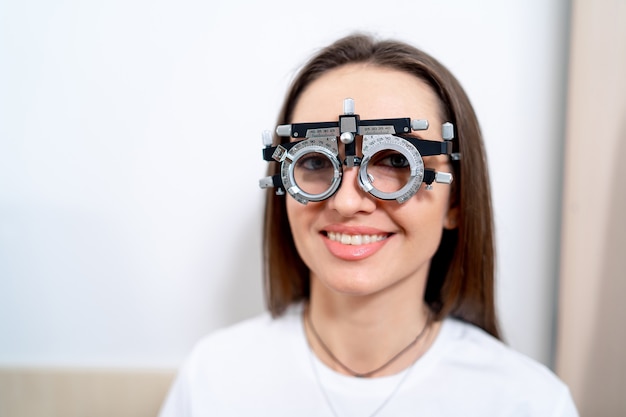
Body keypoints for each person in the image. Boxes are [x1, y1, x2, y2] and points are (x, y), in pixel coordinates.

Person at [158, 33, 578, 416]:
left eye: (396, 161)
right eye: (315, 161)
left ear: (457, 202)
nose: (345, 202)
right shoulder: (214, 378)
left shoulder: (528, 401)